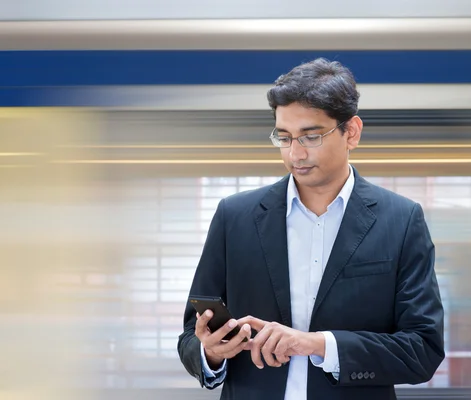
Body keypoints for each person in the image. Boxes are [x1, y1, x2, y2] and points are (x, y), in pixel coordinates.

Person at [177, 58, 444, 400]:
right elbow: (190, 335)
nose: (295, 154)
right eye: (284, 138)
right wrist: (211, 352)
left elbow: (423, 349)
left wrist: (317, 344)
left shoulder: (401, 220)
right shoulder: (236, 216)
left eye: (311, 136)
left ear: (352, 132)